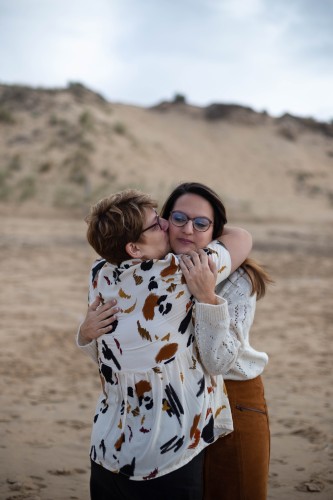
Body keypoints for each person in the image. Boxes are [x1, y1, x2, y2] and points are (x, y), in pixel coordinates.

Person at [79, 182, 272, 500]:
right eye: (172, 218)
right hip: (170, 439)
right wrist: (86, 333)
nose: (178, 227)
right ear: (135, 248)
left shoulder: (101, 272)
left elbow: (220, 362)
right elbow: (242, 237)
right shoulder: (173, 271)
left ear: (216, 230)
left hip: (234, 392)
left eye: (201, 223)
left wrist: (208, 296)